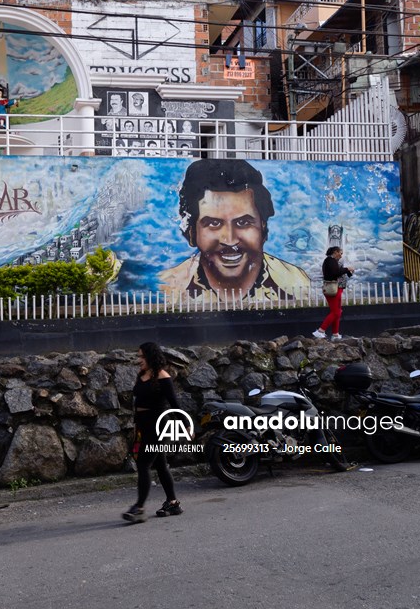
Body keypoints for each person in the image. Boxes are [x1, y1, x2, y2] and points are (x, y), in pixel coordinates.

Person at [158, 160, 311, 302]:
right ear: (192, 233)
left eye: (243, 222)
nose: (230, 240)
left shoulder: (296, 282)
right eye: (213, 223)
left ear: (263, 227)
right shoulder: (168, 288)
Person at [123, 342, 183, 523]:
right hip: (144, 425)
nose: (139, 360)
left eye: (142, 356)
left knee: (143, 464)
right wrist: (136, 424)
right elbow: (138, 401)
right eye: (138, 356)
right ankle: (173, 502)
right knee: (161, 464)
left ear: (151, 357)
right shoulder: (142, 375)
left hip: (159, 426)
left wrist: (187, 425)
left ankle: (139, 508)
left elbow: (174, 403)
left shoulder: (163, 377)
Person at [312, 246, 353, 341]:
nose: (341, 255)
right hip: (333, 289)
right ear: (335, 252)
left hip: (337, 289)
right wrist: (347, 269)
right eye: (340, 253)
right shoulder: (330, 260)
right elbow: (335, 273)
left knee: (337, 312)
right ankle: (320, 331)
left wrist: (348, 271)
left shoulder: (333, 261)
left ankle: (335, 334)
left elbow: (339, 272)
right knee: (336, 312)